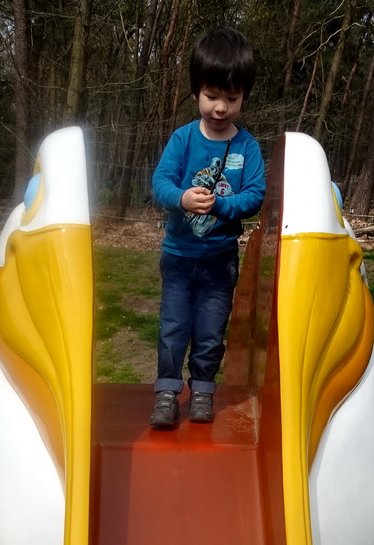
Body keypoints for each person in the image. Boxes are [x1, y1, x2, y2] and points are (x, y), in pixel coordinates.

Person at [150, 26, 265, 429]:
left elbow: (255, 195)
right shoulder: (182, 140)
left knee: (211, 331)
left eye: (231, 99)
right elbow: (160, 182)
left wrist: (222, 205)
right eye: (211, 96)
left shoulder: (247, 146)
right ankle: (167, 393)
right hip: (179, 258)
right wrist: (182, 198)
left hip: (219, 262)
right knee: (174, 327)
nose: (220, 108)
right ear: (196, 91)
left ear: (243, 97)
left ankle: (202, 390)